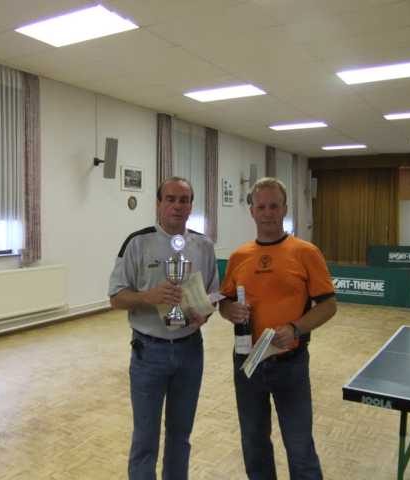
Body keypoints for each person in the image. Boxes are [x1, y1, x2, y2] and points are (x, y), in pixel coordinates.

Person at [219, 177, 337, 480]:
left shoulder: (306, 252)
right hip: (247, 363)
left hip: (290, 364)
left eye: (274, 206)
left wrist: (296, 328)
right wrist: (228, 310)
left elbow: (328, 306)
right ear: (252, 211)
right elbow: (225, 303)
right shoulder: (239, 257)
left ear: (285, 208)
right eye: (261, 207)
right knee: (254, 444)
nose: (268, 213)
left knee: (299, 447)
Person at [109, 176, 219, 480]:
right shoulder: (137, 243)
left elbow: (213, 294)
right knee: (145, 438)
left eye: (184, 200)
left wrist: (204, 313)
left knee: (180, 436)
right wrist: (147, 297)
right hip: (149, 353)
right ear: (159, 203)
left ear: (191, 206)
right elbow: (116, 298)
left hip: (190, 351)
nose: (177, 206)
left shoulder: (204, 246)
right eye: (170, 199)